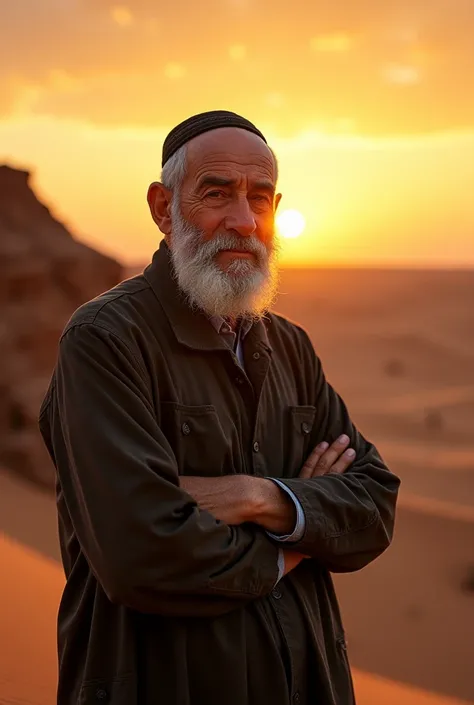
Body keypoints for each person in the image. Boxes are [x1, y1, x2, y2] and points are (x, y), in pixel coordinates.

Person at [39, 109, 400, 705]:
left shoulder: (289, 346)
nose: (243, 220)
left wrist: (259, 497)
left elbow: (374, 505)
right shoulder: (105, 339)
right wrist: (299, 541)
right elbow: (141, 555)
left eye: (260, 198)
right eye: (217, 194)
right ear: (163, 208)